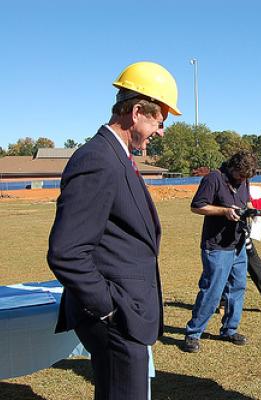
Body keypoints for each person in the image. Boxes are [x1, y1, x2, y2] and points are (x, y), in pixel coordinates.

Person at [47, 61, 182, 399]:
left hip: (125, 315)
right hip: (116, 318)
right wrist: (108, 308)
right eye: (160, 122)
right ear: (137, 111)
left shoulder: (117, 157)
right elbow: (66, 252)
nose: (162, 132)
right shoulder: (98, 159)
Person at [183, 150, 258, 353]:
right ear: (233, 167)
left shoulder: (244, 180)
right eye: (240, 176)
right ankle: (193, 333)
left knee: (237, 288)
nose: (243, 180)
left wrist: (254, 213)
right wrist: (224, 211)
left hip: (238, 244)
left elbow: (246, 202)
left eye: (246, 177)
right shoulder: (214, 179)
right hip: (216, 246)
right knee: (213, 291)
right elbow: (197, 206)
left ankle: (229, 329)